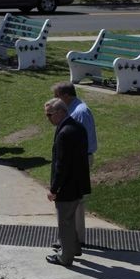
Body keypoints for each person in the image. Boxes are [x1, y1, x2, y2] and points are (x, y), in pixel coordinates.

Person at [44, 98, 91, 266]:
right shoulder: (78, 127)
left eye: (49, 115)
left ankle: (65, 257)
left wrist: (54, 188)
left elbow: (61, 165)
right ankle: (74, 248)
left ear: (61, 112)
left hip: (67, 186)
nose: (47, 118)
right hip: (78, 184)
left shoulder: (64, 133)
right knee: (70, 220)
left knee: (64, 222)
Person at [51, 81, 98, 249]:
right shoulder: (75, 110)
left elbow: (77, 143)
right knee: (73, 201)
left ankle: (73, 240)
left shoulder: (79, 113)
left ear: (66, 96)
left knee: (72, 201)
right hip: (78, 160)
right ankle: (72, 239)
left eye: (56, 96)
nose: (54, 100)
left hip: (78, 161)